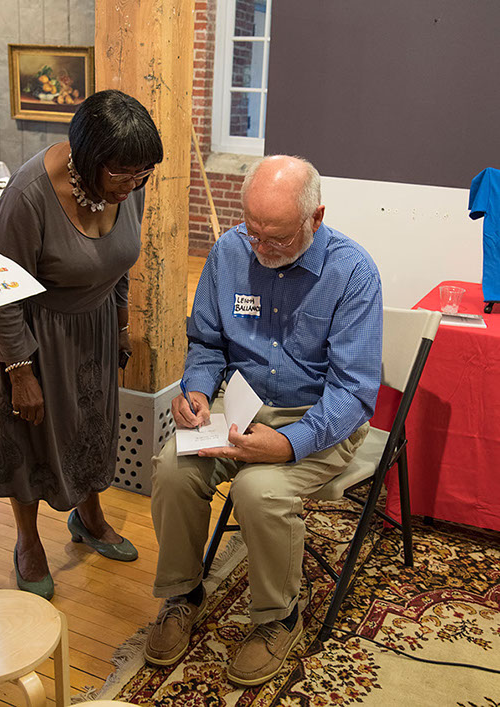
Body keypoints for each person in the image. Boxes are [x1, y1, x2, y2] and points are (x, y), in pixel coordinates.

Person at [145, 156, 383, 686]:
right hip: (241, 404)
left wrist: (290, 443)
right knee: (172, 467)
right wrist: (197, 391)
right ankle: (182, 593)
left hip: (319, 417)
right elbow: (207, 342)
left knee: (259, 491)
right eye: (252, 231)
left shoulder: (353, 272)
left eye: (276, 237)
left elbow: (353, 392)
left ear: (316, 218)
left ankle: (280, 617)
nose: (261, 247)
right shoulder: (229, 251)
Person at [0, 89, 163, 600]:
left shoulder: (127, 184)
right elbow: (0, 290)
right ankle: (27, 542)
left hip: (91, 325)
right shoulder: (28, 194)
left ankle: (89, 517)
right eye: (123, 175)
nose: (133, 185)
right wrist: (19, 371)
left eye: (142, 175)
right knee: (28, 439)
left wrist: (120, 325)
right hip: (28, 332)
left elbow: (119, 261)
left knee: (92, 426)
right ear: (88, 159)